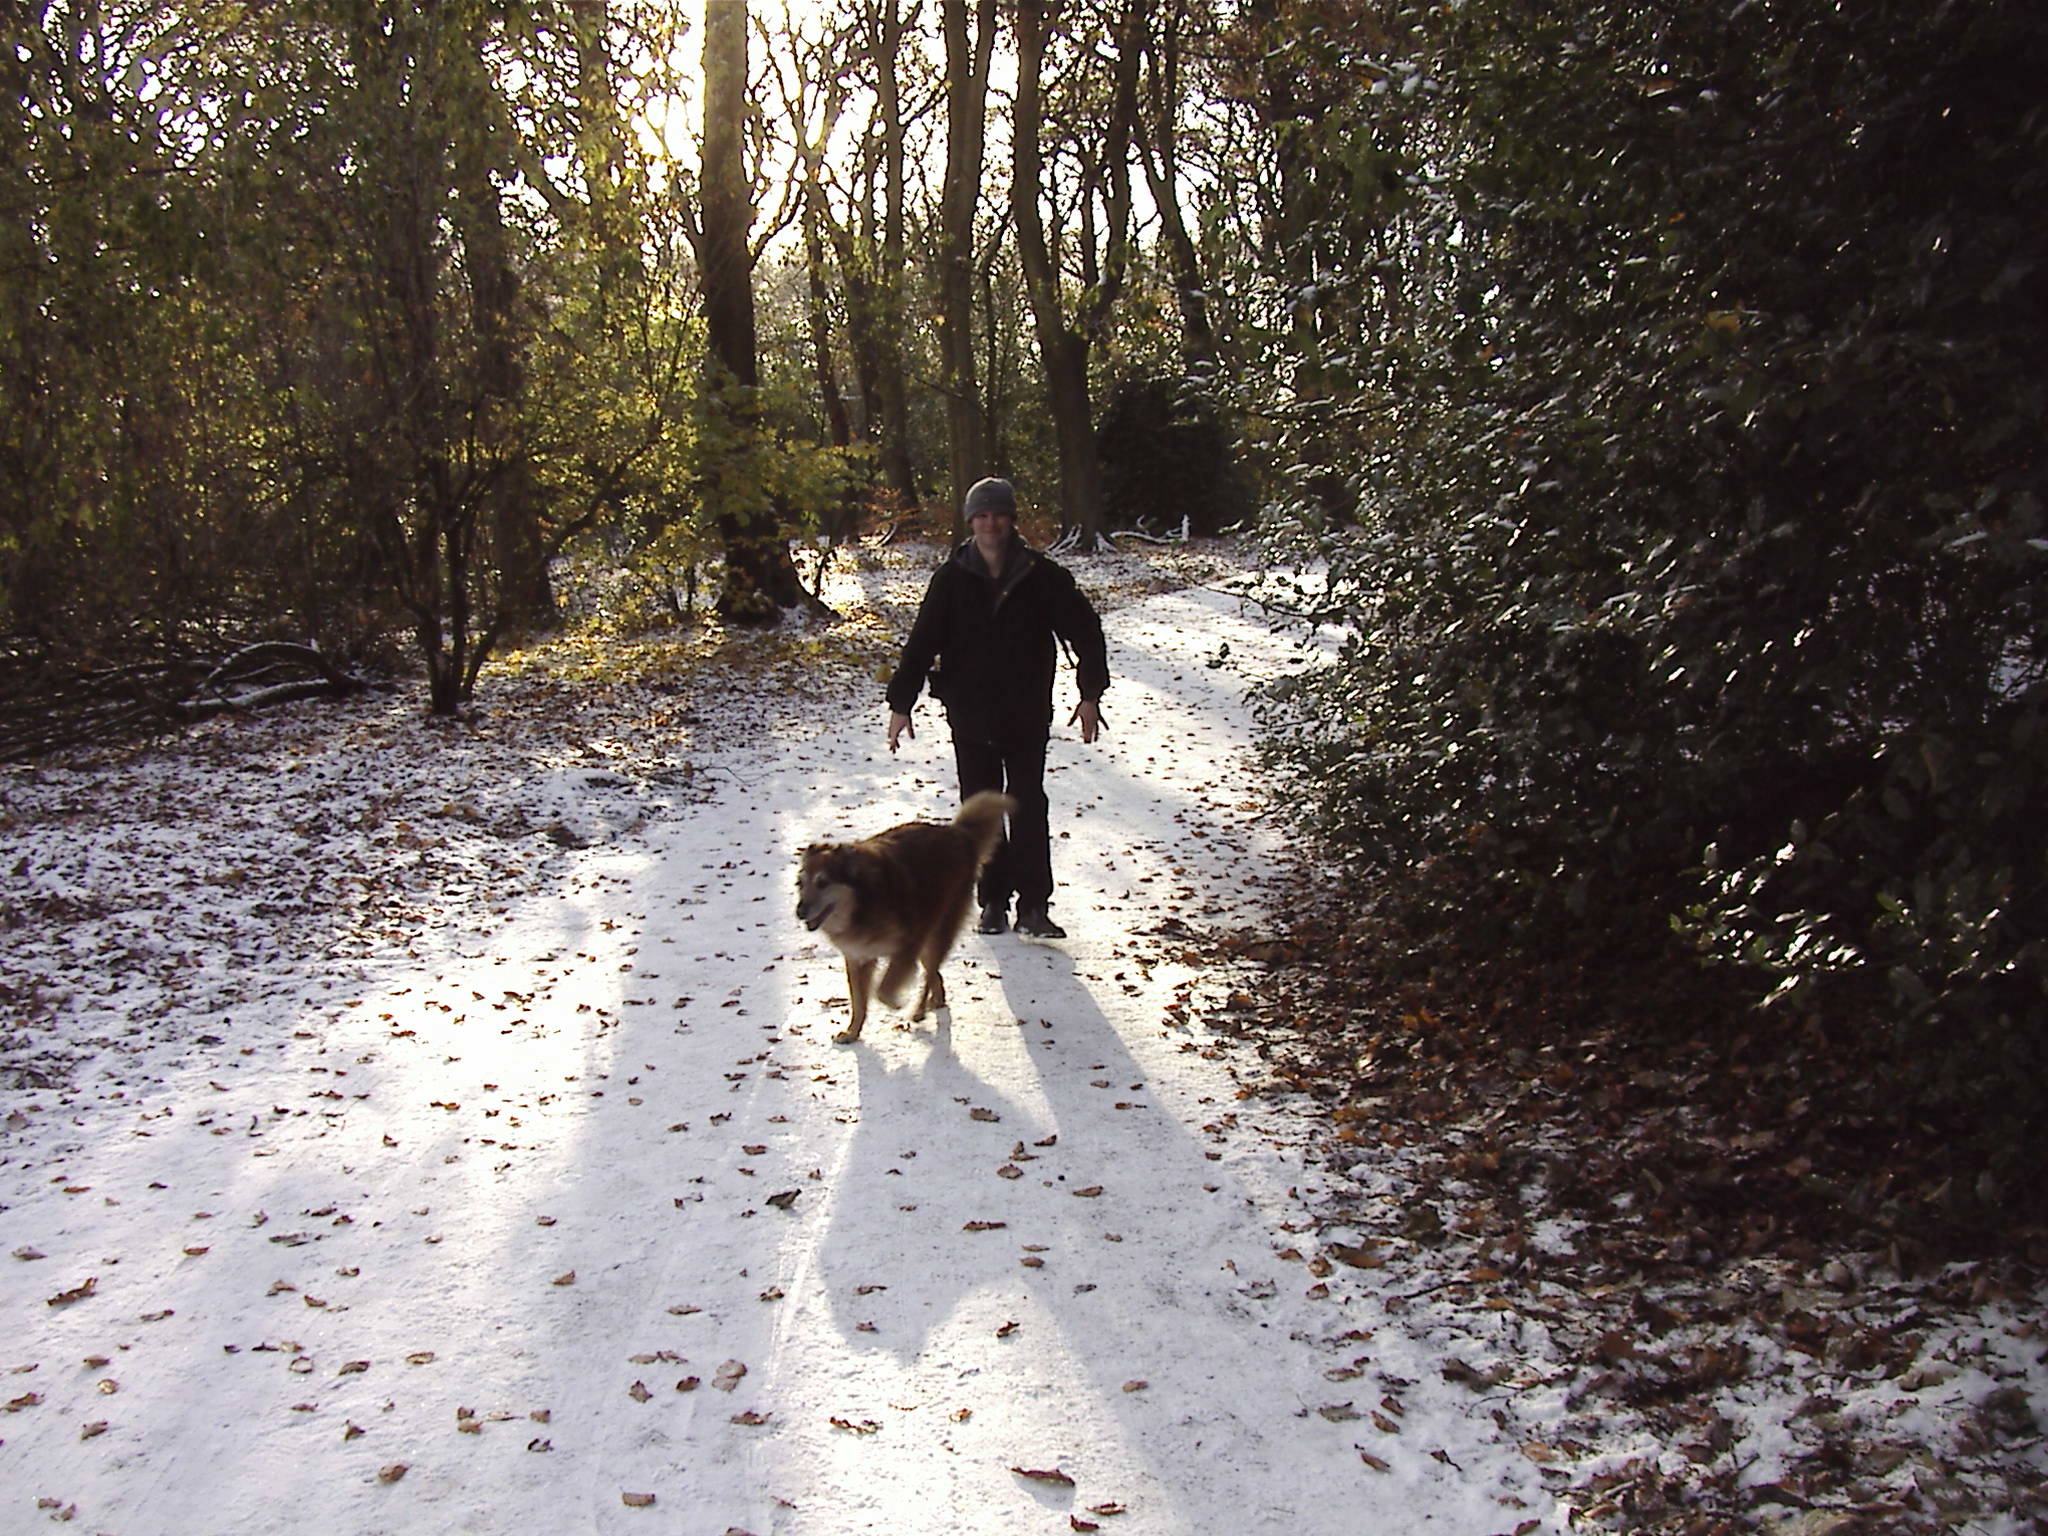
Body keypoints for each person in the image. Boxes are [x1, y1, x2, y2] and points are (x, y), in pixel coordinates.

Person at [886, 477, 1108, 939]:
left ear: (1011, 519)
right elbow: (923, 641)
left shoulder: (1041, 575)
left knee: (1028, 803)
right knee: (979, 810)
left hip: (1026, 712)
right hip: (970, 714)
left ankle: (1034, 906)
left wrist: (1089, 694)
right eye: (982, 515)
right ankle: (992, 902)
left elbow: (1085, 631)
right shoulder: (951, 578)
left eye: (999, 514)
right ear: (971, 522)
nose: (991, 523)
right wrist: (901, 703)